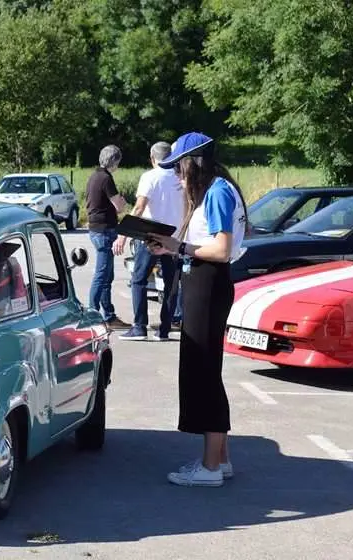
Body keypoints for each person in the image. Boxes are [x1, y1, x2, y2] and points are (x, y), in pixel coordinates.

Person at [145, 131, 249, 487]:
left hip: (208, 282)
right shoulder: (219, 189)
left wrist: (180, 247)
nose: (177, 176)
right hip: (205, 281)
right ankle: (219, 460)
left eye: (179, 168)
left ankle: (210, 468)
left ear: (194, 164)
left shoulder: (217, 191)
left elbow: (220, 249)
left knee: (204, 372)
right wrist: (174, 248)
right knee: (207, 370)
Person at [113, 141, 185, 341]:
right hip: (175, 237)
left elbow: (138, 208)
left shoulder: (149, 177)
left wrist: (122, 235)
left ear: (152, 158)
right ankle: (164, 329)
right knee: (172, 284)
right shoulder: (181, 177)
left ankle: (139, 326)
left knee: (139, 280)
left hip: (151, 236)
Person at [85, 145, 129, 329]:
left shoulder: (94, 176)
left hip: (96, 229)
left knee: (107, 276)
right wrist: (123, 202)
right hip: (104, 230)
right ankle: (93, 314)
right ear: (115, 161)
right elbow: (118, 206)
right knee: (102, 275)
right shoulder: (106, 178)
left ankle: (108, 314)